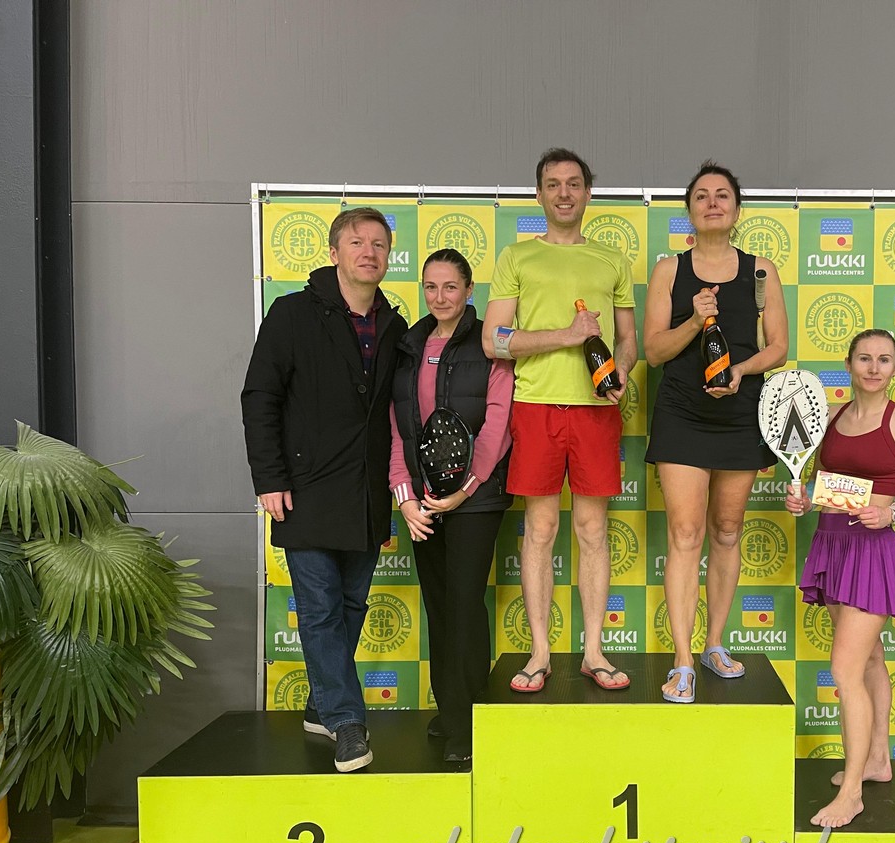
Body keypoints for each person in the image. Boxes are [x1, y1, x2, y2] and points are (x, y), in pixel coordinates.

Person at [242, 207, 403, 773]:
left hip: (366, 493)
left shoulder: (394, 325)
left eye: (379, 244)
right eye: (356, 242)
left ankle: (319, 703)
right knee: (319, 609)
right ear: (334, 252)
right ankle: (347, 722)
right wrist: (269, 478)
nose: (368, 252)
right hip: (304, 489)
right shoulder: (291, 313)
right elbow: (259, 396)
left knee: (352, 604)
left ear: (388, 256)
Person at [481, 148, 638, 693]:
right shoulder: (517, 257)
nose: (564, 193)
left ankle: (594, 651)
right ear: (539, 194)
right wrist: (566, 336)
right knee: (541, 529)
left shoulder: (612, 260)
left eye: (573, 183)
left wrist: (622, 371)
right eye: (553, 184)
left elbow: (627, 339)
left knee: (593, 530)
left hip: (596, 410)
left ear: (588, 193)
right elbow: (494, 339)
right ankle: (540, 653)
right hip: (535, 407)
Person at [643, 161, 788, 703]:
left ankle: (714, 644)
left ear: (736, 208)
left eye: (722, 195)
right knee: (686, 535)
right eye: (701, 195)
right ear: (689, 209)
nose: (712, 203)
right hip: (682, 413)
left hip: (740, 412)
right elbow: (653, 351)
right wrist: (693, 318)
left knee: (727, 531)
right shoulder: (669, 271)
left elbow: (778, 347)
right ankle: (682, 661)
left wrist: (740, 371)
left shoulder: (760, 271)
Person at [786, 329, 895, 826]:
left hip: (872, 552)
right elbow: (826, 487)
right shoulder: (830, 417)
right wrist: (804, 500)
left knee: (845, 671)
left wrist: (893, 513)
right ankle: (877, 760)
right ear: (849, 364)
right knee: (870, 659)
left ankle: (851, 793)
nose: (874, 368)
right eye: (865, 358)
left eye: (884, 359)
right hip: (831, 544)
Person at [389, 249, 513, 763]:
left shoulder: (489, 344)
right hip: (423, 501)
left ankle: (468, 721)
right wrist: (406, 497)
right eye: (430, 287)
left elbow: (499, 423)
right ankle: (450, 708)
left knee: (464, 606)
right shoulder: (408, 346)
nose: (439, 297)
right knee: (439, 607)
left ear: (469, 291)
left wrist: (465, 490)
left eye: (450, 287)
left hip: (475, 500)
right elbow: (396, 426)